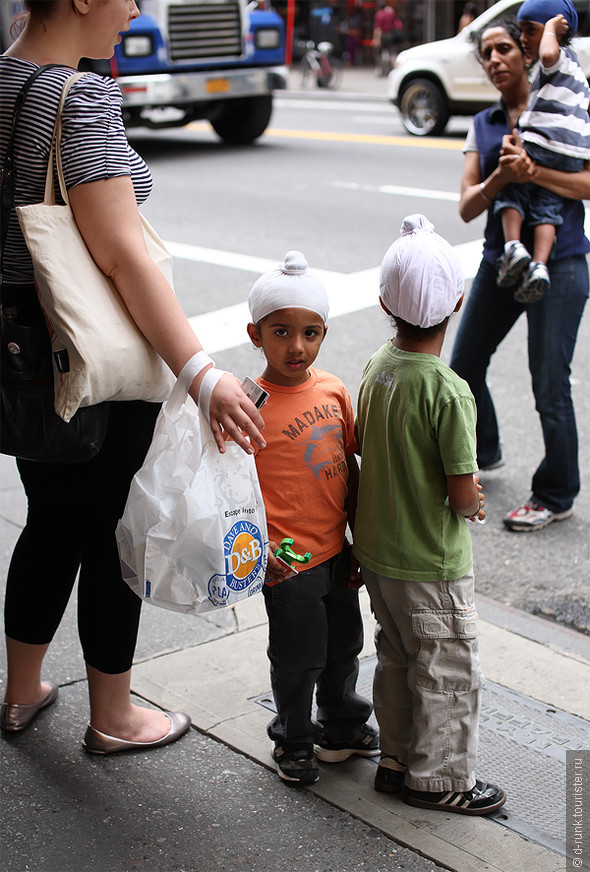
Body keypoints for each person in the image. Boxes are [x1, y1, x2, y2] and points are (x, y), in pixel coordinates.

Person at [0, 0, 266, 752]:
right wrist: (202, 372)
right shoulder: (77, 97)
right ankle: (113, 716)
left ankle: (20, 692)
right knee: (111, 534)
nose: (138, 7)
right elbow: (121, 256)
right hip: (93, 360)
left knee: (49, 518)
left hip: (24, 356)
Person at [354, 213, 506, 816]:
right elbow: (461, 487)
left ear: (385, 300)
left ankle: (395, 760)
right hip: (431, 565)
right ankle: (439, 779)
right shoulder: (448, 389)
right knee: (446, 670)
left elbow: (366, 444)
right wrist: (473, 505)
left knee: (395, 657)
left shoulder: (376, 368)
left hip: (377, 555)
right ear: (460, 301)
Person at [449, 17, 590, 531]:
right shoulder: (484, 124)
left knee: (549, 384)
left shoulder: (566, 104)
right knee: (463, 366)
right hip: (500, 262)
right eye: (486, 52)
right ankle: (484, 452)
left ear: (527, 51)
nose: (494, 59)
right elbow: (466, 206)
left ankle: (556, 494)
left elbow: (588, 184)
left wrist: (534, 173)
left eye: (504, 47)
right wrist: (500, 177)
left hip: (562, 263)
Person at [246, 251, 378, 786]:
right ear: (255, 334)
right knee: (299, 657)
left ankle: (340, 723)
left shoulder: (333, 390)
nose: (296, 346)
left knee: (344, 643)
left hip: (336, 549)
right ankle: (294, 739)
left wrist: (358, 540)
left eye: (310, 332)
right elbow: (235, 494)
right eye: (281, 332)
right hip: (289, 561)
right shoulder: (249, 405)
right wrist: (259, 552)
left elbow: (348, 465)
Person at [494, 1, 590, 302]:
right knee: (547, 208)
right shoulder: (575, 69)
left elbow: (548, 52)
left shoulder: (555, 57)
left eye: (529, 30)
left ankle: (513, 247)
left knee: (512, 188)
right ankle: (539, 265)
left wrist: (550, 31)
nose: (523, 38)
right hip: (570, 154)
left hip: (544, 144)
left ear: (556, 32)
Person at [372, 1, 403, 76]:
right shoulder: (390, 13)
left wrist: (376, 39)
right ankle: (392, 69)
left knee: (382, 52)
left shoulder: (379, 14)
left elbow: (378, 28)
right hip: (390, 34)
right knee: (391, 51)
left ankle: (383, 69)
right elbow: (395, 23)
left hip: (383, 35)